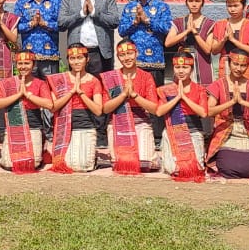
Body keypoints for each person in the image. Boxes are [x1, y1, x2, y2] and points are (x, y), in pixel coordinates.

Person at [205, 52, 249, 179]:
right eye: (235, 64)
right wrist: (231, 102)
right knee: (227, 169)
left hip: (246, 132)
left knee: (248, 170)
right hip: (225, 131)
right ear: (229, 63)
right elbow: (209, 111)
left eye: (243, 65)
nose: (238, 68)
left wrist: (242, 102)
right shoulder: (219, 84)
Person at [99, 40, 161, 174]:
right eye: (122, 55)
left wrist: (134, 95)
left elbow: (154, 108)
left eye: (130, 53)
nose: (127, 58)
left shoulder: (146, 76)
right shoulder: (111, 77)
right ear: (118, 56)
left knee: (144, 165)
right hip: (118, 122)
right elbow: (105, 108)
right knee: (122, 165)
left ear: (136, 53)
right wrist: (123, 95)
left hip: (140, 122)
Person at [57, 0, 122, 75]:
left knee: (101, 89)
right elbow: (61, 23)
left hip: (100, 52)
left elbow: (114, 21)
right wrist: (81, 14)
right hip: (76, 53)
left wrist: (94, 13)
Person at [48, 44, 104, 172]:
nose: (76, 61)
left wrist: (81, 93)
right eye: (72, 58)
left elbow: (98, 110)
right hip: (65, 128)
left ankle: (93, 159)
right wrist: (71, 92)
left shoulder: (94, 81)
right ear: (68, 60)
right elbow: (53, 107)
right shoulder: (60, 80)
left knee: (82, 166)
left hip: (86, 126)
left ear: (87, 59)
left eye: (80, 57)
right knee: (66, 165)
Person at [0, 50, 51, 172]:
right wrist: (18, 95)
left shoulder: (40, 83)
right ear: (16, 65)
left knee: (32, 164)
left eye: (27, 63)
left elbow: (49, 104)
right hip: (14, 126)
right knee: (9, 164)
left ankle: (40, 148)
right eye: (20, 63)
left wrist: (28, 96)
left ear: (33, 65)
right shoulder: (8, 83)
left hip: (33, 126)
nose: (23, 67)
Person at [155, 49, 207, 181]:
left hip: (193, 131)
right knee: (174, 170)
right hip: (173, 131)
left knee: (195, 169)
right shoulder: (167, 89)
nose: (181, 71)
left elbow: (203, 112)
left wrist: (184, 97)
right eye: (177, 67)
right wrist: (176, 98)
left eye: (185, 67)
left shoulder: (199, 89)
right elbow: (159, 111)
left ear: (192, 69)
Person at [117, 0, 172, 86]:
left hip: (155, 62)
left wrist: (147, 20)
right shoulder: (129, 7)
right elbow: (121, 31)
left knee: (155, 99)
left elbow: (166, 28)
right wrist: (135, 23)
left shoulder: (161, 6)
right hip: (133, 63)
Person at [14, 0, 62, 76]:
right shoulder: (21, 3)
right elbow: (16, 27)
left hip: (50, 54)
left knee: (50, 89)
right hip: (28, 57)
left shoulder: (56, 1)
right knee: (30, 90)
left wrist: (45, 24)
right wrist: (31, 24)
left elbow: (63, 25)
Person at [164, 0, 216, 84]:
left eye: (197, 1)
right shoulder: (179, 22)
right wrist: (187, 31)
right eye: (191, 1)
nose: (194, 4)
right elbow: (168, 43)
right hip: (183, 62)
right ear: (186, 3)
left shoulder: (210, 23)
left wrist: (195, 32)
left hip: (202, 61)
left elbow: (208, 50)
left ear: (202, 3)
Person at [209, 0, 249, 81]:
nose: (232, 9)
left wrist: (233, 40)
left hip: (246, 67)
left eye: (236, 6)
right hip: (225, 67)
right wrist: (223, 40)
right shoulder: (220, 24)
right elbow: (214, 51)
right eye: (229, 6)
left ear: (244, 7)